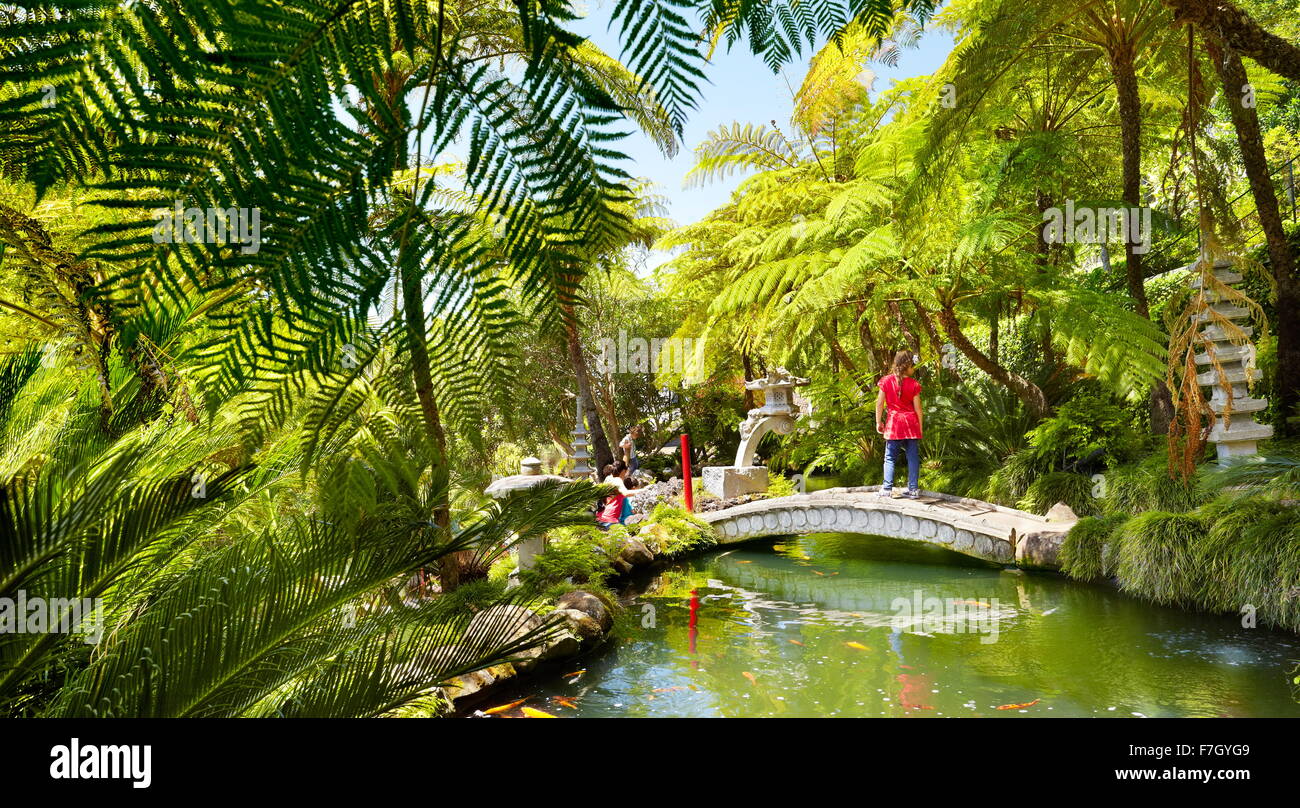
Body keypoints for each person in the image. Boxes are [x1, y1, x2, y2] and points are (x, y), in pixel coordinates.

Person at [875, 350, 923, 499]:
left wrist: (878, 422)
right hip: (911, 425)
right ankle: (913, 489)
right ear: (907, 365)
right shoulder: (914, 384)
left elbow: (879, 404)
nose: (914, 368)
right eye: (912, 365)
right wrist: (920, 426)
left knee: (889, 457)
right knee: (913, 457)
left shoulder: (886, 381)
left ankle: (887, 488)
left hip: (894, 425)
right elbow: (918, 409)